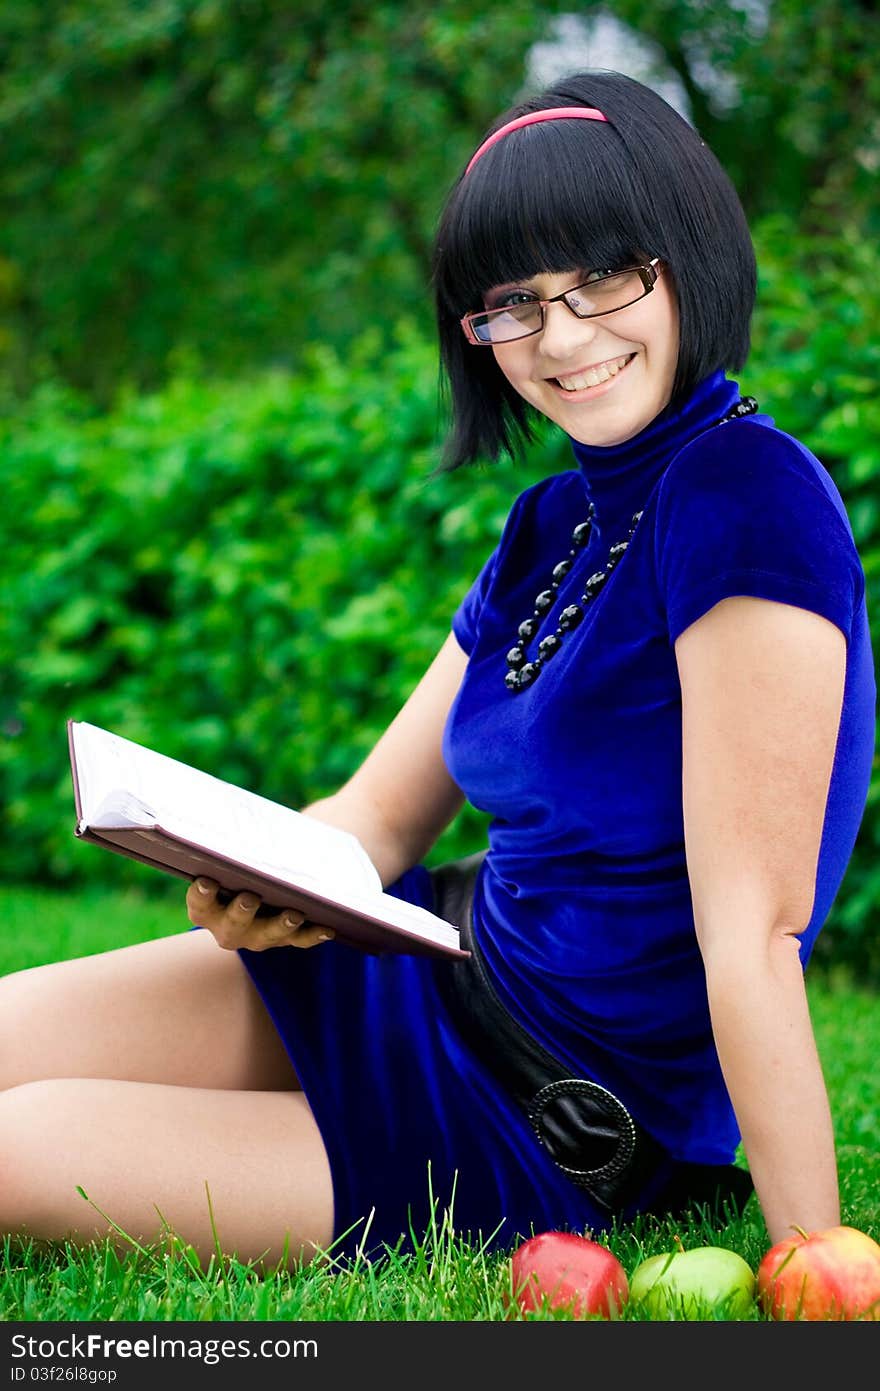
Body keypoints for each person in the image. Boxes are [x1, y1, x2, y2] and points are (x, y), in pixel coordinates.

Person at [1, 71, 875, 1276]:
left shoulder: (746, 497)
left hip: (539, 1113)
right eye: (513, 302)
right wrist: (254, 879)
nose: (561, 336)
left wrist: (811, 1253)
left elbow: (755, 931)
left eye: (604, 276)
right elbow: (370, 816)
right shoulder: (549, 522)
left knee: (17, 1144)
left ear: (688, 257)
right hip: (421, 965)